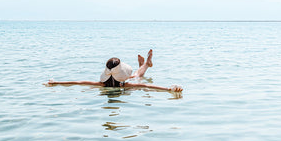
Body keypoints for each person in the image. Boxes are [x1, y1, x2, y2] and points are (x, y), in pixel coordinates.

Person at [44, 49, 183, 92]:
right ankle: (146, 63)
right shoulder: (126, 84)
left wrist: (55, 83)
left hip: (126, 82)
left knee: (137, 76)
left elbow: (77, 82)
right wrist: (169, 89)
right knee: (136, 76)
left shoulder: (101, 84)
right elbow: (148, 86)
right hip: (127, 84)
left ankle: (146, 63)